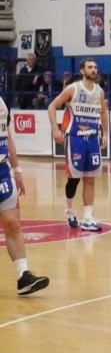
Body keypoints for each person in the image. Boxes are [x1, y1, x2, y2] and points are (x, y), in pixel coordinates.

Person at [47, 58, 108, 232]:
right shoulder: (73, 89)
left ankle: (88, 218)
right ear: (82, 71)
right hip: (75, 139)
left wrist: (105, 133)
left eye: (95, 67)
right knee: (74, 179)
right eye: (90, 67)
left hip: (92, 139)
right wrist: (55, 129)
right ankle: (69, 211)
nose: (93, 70)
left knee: (90, 178)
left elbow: (104, 113)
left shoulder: (100, 91)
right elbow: (52, 106)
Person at [0, 95, 49, 295]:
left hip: (2, 171)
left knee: (13, 223)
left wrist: (17, 170)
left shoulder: (2, 103)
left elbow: (7, 136)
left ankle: (24, 276)